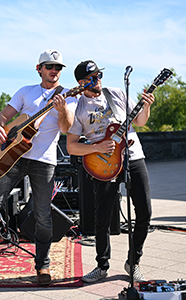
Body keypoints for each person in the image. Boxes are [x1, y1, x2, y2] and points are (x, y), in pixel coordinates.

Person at [0, 49, 77, 287]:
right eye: (49, 66)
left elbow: (66, 128)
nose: (54, 71)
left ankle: (43, 265)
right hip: (11, 157)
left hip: (44, 161)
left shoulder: (68, 95)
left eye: (58, 68)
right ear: (39, 69)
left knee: (43, 215)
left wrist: (62, 108)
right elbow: (1, 118)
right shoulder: (25, 92)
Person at [66, 60, 154, 283]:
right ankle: (102, 265)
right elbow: (71, 146)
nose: (98, 81)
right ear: (81, 83)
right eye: (92, 78)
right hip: (103, 163)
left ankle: (133, 262)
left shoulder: (115, 94)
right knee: (102, 217)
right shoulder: (79, 108)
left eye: (99, 76)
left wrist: (147, 106)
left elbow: (140, 122)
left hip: (133, 157)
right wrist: (96, 147)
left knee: (144, 211)